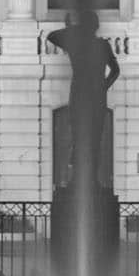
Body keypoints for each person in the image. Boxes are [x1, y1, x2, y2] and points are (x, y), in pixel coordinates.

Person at [47, 10, 120, 190]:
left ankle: (86, 180)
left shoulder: (77, 44)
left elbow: (53, 36)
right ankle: (83, 180)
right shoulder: (95, 45)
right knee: (88, 137)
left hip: (83, 93)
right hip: (91, 94)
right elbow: (115, 70)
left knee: (85, 137)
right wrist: (104, 85)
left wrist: (74, 29)